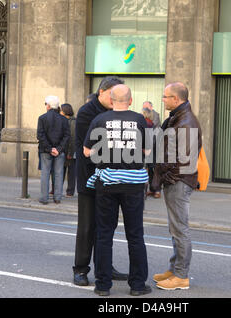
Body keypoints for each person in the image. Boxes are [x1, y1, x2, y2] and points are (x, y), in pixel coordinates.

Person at [83, 84, 151, 296]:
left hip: (107, 183)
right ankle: (138, 286)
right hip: (133, 184)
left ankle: (103, 286)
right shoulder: (140, 120)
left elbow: (86, 152)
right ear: (130, 100)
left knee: (104, 234)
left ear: (111, 101)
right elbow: (147, 151)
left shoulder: (100, 120)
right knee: (135, 235)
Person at [73, 76, 128, 286]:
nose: (116, 100)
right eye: (113, 96)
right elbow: (91, 148)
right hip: (90, 178)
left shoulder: (115, 112)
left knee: (107, 226)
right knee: (87, 227)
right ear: (102, 92)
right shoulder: (87, 112)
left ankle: (105, 267)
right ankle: (80, 269)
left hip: (111, 178)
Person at [152, 82, 202, 291]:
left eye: (165, 96)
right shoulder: (178, 117)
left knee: (180, 228)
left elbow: (183, 159)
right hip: (176, 180)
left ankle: (181, 275)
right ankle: (175, 268)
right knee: (175, 227)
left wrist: (167, 177)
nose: (162, 100)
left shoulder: (185, 122)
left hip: (179, 182)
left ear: (176, 99)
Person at [37, 95, 69, 205]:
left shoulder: (42, 118)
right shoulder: (64, 119)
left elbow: (40, 136)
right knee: (59, 174)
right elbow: (66, 136)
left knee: (45, 173)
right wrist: (58, 149)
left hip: (45, 150)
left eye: (45, 104)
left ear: (49, 106)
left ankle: (44, 198)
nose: (45, 106)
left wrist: (50, 149)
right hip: (59, 151)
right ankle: (57, 198)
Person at [142, 103, 161, 198]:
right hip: (147, 146)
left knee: (155, 169)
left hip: (154, 146)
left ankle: (157, 190)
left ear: (151, 107)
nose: (144, 107)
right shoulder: (144, 118)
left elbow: (155, 131)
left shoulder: (156, 116)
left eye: (146, 106)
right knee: (149, 169)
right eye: (144, 106)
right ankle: (152, 189)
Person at [61, 103, 77, 197]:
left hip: (71, 151)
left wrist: (70, 152)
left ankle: (70, 191)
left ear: (64, 111)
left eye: (61, 110)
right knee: (61, 171)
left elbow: (72, 138)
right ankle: (57, 189)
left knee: (71, 172)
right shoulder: (64, 120)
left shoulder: (73, 122)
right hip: (65, 150)